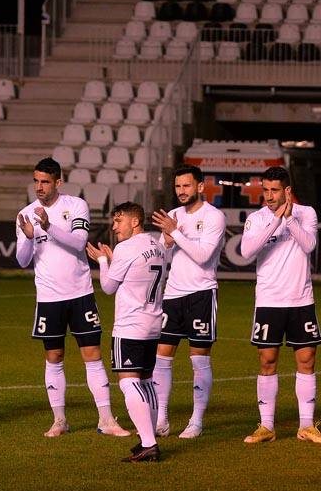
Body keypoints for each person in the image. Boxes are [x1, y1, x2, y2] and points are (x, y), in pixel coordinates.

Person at [16, 157, 129, 438]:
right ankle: (59, 420)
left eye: (45, 182)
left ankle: (105, 419)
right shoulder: (25, 213)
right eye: (36, 181)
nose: (39, 187)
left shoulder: (75, 205)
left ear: (58, 183)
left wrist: (48, 227)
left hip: (80, 293)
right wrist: (30, 237)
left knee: (92, 355)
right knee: (54, 356)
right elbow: (21, 260)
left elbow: (79, 242)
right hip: (48, 297)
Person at [239, 166, 321, 444]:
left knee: (306, 360)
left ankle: (306, 426)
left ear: (287, 191)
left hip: (301, 299)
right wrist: (274, 221)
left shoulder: (307, 213)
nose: (268, 195)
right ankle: (266, 426)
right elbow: (246, 252)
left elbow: (309, 245)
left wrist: (289, 220)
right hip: (269, 300)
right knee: (267, 360)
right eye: (265, 190)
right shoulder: (256, 219)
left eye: (274, 190)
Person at [86, 203, 170, 462]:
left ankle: (148, 442)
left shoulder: (125, 248)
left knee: (128, 381)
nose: (114, 227)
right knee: (146, 381)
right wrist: (115, 260)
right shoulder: (156, 245)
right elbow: (138, 273)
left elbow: (109, 286)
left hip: (131, 324)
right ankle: (149, 438)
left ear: (135, 222)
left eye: (118, 221)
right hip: (154, 321)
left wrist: (102, 260)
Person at [149, 164, 226, 439]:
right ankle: (162, 418)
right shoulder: (172, 216)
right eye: (178, 186)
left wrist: (176, 233)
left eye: (187, 186)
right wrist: (167, 243)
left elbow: (204, 255)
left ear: (200, 187)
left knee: (199, 359)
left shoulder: (214, 217)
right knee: (162, 357)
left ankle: (196, 421)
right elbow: (164, 256)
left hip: (202, 294)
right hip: (173, 294)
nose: (181, 191)